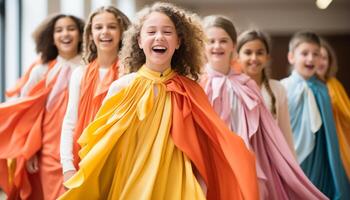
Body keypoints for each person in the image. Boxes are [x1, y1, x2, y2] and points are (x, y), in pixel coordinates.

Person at [59, 2, 259, 200]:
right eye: (151, 31)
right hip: (130, 186)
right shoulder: (121, 88)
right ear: (139, 40)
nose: (159, 37)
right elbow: (101, 149)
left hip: (178, 189)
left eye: (167, 32)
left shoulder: (191, 91)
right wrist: (70, 168)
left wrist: (203, 188)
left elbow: (205, 149)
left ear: (179, 41)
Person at [201, 15, 326, 199]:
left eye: (223, 41)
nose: (217, 46)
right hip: (212, 161)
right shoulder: (198, 82)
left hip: (252, 161)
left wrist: (290, 168)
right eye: (211, 41)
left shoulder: (250, 87)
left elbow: (275, 134)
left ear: (232, 46)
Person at [0, 13, 84, 200]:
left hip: (81, 146)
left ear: (80, 34)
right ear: (51, 37)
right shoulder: (42, 70)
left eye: (71, 29)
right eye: (59, 30)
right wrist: (30, 151)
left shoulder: (89, 67)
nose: (65, 34)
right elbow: (27, 113)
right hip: (47, 149)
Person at [60, 6, 130, 183]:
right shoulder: (80, 74)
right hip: (83, 159)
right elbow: (70, 122)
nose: (105, 32)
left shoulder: (130, 74)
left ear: (122, 32)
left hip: (121, 161)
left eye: (112, 27)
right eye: (99, 27)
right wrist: (67, 167)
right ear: (90, 34)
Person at [281, 31, 350, 199]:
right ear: (292, 57)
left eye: (316, 54)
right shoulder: (283, 87)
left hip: (320, 156)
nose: (310, 59)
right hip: (294, 156)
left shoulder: (323, 90)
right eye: (304, 53)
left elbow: (329, 132)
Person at [237, 29, 296, 157]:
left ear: (267, 57)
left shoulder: (278, 88)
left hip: (272, 158)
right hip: (243, 158)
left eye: (259, 53)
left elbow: (285, 132)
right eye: (248, 52)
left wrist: (292, 165)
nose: (254, 58)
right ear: (238, 56)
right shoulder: (232, 88)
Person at [316, 37, 350, 180]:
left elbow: (347, 115)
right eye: (318, 57)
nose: (320, 62)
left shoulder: (334, 85)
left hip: (337, 141)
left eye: (324, 58)